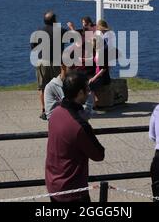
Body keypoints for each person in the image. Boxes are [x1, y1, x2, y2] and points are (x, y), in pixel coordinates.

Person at [45, 70, 105, 202]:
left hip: (53, 183)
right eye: (87, 89)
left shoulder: (56, 113)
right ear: (80, 93)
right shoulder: (79, 125)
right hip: (72, 190)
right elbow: (99, 154)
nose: (89, 92)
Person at [31, 10, 67, 120]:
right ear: (54, 20)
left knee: (42, 87)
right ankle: (60, 109)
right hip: (57, 62)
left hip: (43, 61)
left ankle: (45, 110)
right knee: (59, 86)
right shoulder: (60, 31)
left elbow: (33, 47)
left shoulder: (38, 31)